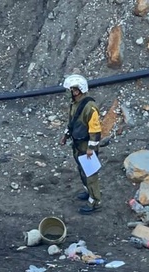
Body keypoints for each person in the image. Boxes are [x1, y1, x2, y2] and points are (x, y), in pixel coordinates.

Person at [59, 73, 103, 213]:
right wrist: (66, 135)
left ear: (77, 90)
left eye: (70, 90)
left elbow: (95, 130)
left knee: (90, 174)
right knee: (82, 170)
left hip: (86, 145)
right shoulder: (75, 104)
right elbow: (72, 122)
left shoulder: (90, 107)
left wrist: (91, 148)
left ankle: (95, 201)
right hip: (77, 144)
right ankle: (88, 192)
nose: (69, 93)